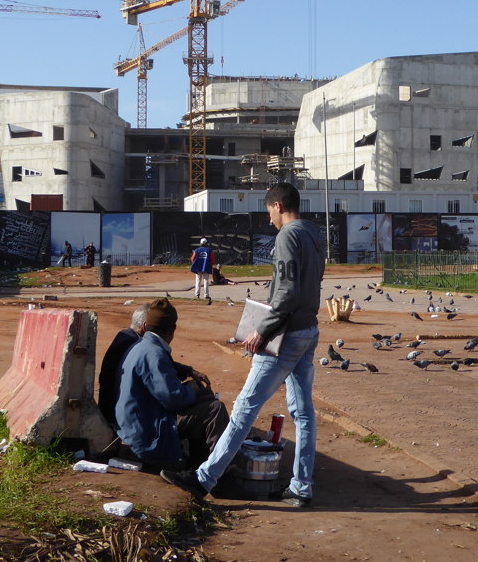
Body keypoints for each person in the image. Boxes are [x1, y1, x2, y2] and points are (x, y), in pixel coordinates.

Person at [162, 182, 325, 508]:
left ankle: (203, 479)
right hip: (308, 329)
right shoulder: (314, 233)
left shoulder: (288, 236)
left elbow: (287, 293)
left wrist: (261, 331)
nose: (268, 220)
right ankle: (301, 487)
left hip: (285, 335)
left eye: (268, 212)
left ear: (278, 206)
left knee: (243, 412)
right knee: (304, 414)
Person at [115, 299, 229, 469]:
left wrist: (189, 375)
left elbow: (164, 379)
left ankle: (197, 466)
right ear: (173, 329)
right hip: (146, 432)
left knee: (204, 397)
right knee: (215, 410)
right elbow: (174, 400)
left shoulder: (143, 345)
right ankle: (216, 473)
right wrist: (191, 389)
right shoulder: (154, 354)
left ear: (147, 326)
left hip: (140, 420)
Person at [98, 302, 210, 426]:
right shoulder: (136, 345)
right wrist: (191, 389)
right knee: (210, 406)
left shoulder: (128, 338)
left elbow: (161, 367)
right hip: (130, 420)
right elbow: (171, 397)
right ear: (146, 327)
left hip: (127, 412)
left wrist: (189, 371)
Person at [190, 237, 215, 302]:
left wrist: (196, 264)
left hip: (198, 268)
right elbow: (212, 260)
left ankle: (197, 295)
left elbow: (192, 259)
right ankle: (206, 295)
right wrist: (210, 265)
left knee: (198, 281)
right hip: (206, 267)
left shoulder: (197, 250)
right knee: (206, 281)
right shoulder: (209, 251)